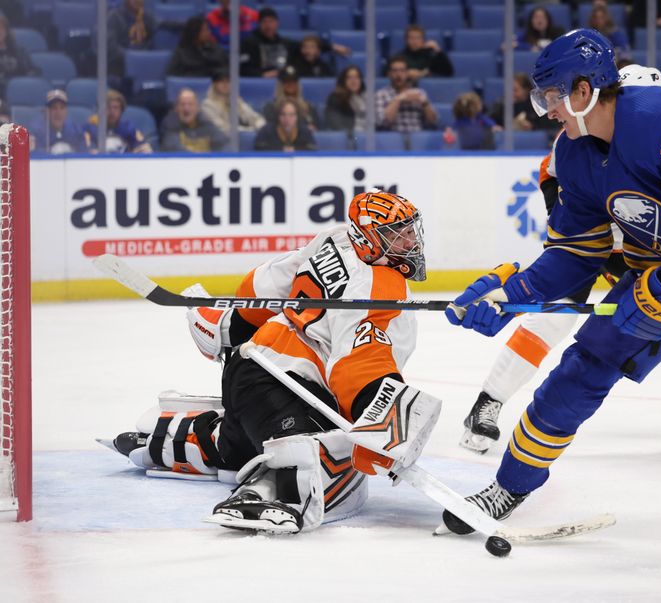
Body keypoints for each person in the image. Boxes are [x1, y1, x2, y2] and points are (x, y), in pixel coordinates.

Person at [443, 29, 661, 529]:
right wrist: (510, 295)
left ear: (583, 90)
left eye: (551, 96)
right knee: (583, 367)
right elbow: (575, 254)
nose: (546, 111)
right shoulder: (573, 153)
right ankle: (510, 485)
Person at [459, 65, 661, 455]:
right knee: (554, 318)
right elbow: (571, 221)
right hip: (593, 250)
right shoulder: (574, 143)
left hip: (646, 252)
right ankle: (488, 402)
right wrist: (605, 256)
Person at [111, 191, 428, 534]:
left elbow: (263, 285)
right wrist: (385, 425)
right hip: (284, 385)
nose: (410, 241)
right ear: (368, 238)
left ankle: (176, 439)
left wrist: (231, 325)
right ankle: (265, 494)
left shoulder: (334, 239)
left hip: (250, 371)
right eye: (398, 234)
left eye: (411, 231)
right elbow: (359, 365)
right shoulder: (379, 285)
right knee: (314, 450)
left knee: (238, 450)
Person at [240, 7, 349, 79]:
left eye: (271, 21)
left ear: (277, 23)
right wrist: (263, 75)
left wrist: (332, 47)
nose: (268, 26)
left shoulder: (285, 43)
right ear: (259, 24)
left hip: (284, 82)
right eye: (264, 22)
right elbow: (242, 69)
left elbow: (308, 46)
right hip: (261, 82)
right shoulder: (249, 43)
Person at [376, 55, 438, 133]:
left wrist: (425, 103)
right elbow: (383, 122)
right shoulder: (381, 94)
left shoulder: (419, 93)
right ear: (389, 74)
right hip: (393, 139)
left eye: (402, 70)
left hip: (417, 139)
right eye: (394, 71)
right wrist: (398, 99)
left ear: (407, 73)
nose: (398, 75)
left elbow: (433, 122)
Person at [160, 88, 229, 152]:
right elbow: (172, 148)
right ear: (176, 108)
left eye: (190, 104)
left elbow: (224, 145)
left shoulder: (206, 124)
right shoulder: (170, 125)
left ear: (197, 108)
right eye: (182, 104)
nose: (186, 109)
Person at [201, 69, 265, 137]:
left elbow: (255, 117)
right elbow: (222, 128)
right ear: (214, 84)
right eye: (221, 81)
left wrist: (262, 127)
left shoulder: (237, 100)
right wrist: (248, 130)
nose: (225, 84)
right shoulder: (207, 105)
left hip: (243, 135)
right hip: (222, 141)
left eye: (228, 81)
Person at [85, 89, 153, 153]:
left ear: (121, 110)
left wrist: (143, 149)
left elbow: (142, 147)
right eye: (108, 107)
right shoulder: (91, 129)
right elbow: (84, 150)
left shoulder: (129, 128)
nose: (112, 111)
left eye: (116, 107)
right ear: (100, 110)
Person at [488, 72, 556, 132]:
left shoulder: (538, 105)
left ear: (526, 90)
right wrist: (495, 127)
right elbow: (490, 121)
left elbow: (547, 127)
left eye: (515, 90)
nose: (511, 93)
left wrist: (532, 127)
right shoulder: (501, 105)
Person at [29, 89, 90, 155]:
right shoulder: (36, 132)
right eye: (54, 108)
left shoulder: (76, 131)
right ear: (46, 111)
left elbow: (84, 155)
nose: (58, 113)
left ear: (66, 111)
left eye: (62, 108)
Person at [107, 0, 155, 79]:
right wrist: (131, 57)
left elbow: (162, 25)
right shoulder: (114, 17)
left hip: (143, 63)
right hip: (120, 65)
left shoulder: (147, 17)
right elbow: (111, 47)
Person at [262, 65, 320, 130]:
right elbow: (270, 131)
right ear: (280, 85)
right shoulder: (271, 108)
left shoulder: (309, 108)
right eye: (287, 81)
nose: (291, 84)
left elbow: (317, 130)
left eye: (294, 81)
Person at [0, 14, 39, 100]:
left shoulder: (19, 51)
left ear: (6, 31)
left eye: (1, 28)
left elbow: (33, 70)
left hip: (19, 90)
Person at [324, 65, 366, 133]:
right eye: (349, 78)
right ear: (343, 81)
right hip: (350, 137)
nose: (353, 81)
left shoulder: (367, 97)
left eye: (357, 77)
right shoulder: (335, 98)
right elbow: (334, 122)